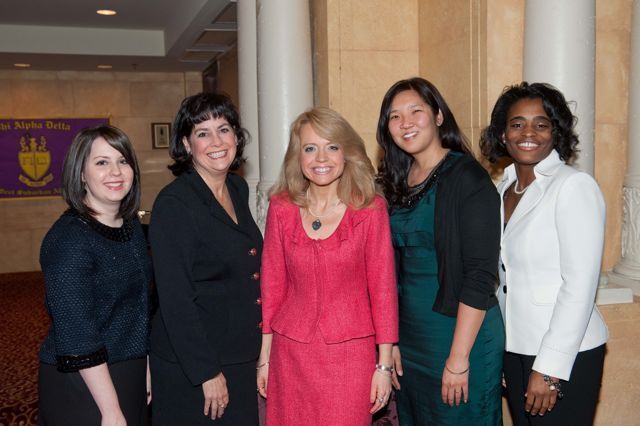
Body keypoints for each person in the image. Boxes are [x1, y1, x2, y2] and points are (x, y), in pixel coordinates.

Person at [257, 107, 399, 425]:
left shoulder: (370, 209)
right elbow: (272, 283)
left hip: (350, 358)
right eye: (310, 148)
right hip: (290, 354)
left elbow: (383, 290)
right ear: (298, 157)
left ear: (346, 152)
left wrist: (384, 366)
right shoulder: (282, 207)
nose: (321, 158)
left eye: (331, 146)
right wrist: (265, 357)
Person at [376, 77, 504, 425]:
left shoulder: (467, 178)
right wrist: (392, 342)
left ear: (437, 116)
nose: (405, 123)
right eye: (394, 116)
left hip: (459, 338)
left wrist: (459, 359)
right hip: (411, 340)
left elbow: (480, 277)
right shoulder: (397, 181)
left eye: (415, 111)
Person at [480, 82, 608, 425]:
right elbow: (502, 279)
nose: (528, 133)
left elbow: (580, 285)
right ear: (503, 134)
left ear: (556, 132)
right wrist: (504, 352)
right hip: (516, 348)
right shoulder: (501, 189)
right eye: (517, 123)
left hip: (565, 353)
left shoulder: (573, 186)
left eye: (541, 124)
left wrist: (549, 369)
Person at [148, 92, 262, 425]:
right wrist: (206, 371)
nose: (216, 141)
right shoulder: (175, 204)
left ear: (236, 137)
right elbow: (175, 299)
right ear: (186, 144)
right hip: (196, 366)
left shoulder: (238, 189)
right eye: (202, 132)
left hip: (238, 355)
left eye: (224, 129)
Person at [38, 124, 151, 426]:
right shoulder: (68, 241)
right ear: (80, 174)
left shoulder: (130, 228)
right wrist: (111, 409)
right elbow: (77, 336)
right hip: (84, 382)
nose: (116, 171)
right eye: (102, 162)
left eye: (122, 161)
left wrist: (145, 365)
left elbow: (140, 307)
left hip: (128, 370)